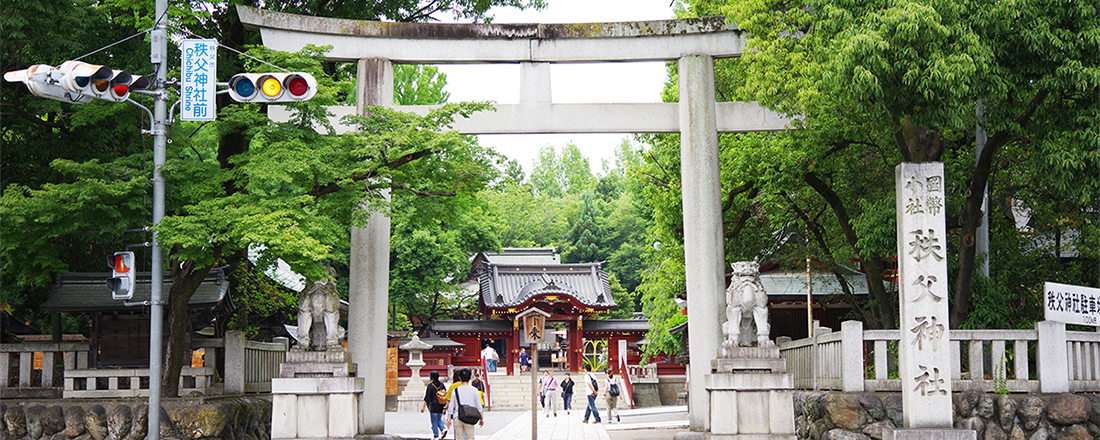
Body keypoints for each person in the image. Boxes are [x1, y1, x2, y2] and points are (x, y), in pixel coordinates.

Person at [446, 368, 484, 440]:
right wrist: (481, 418)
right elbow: (479, 405)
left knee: (459, 438)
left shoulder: (455, 390)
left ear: (460, 378)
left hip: (458, 416)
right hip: (470, 416)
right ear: (470, 378)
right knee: (470, 437)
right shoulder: (474, 390)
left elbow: (451, 406)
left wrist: (448, 419)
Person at [420, 371, 448, 440]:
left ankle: (436, 435)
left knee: (434, 421)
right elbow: (445, 394)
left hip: (433, 405)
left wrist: (423, 406)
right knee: (438, 419)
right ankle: (443, 428)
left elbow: (427, 397)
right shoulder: (441, 384)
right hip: (441, 405)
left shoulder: (431, 386)